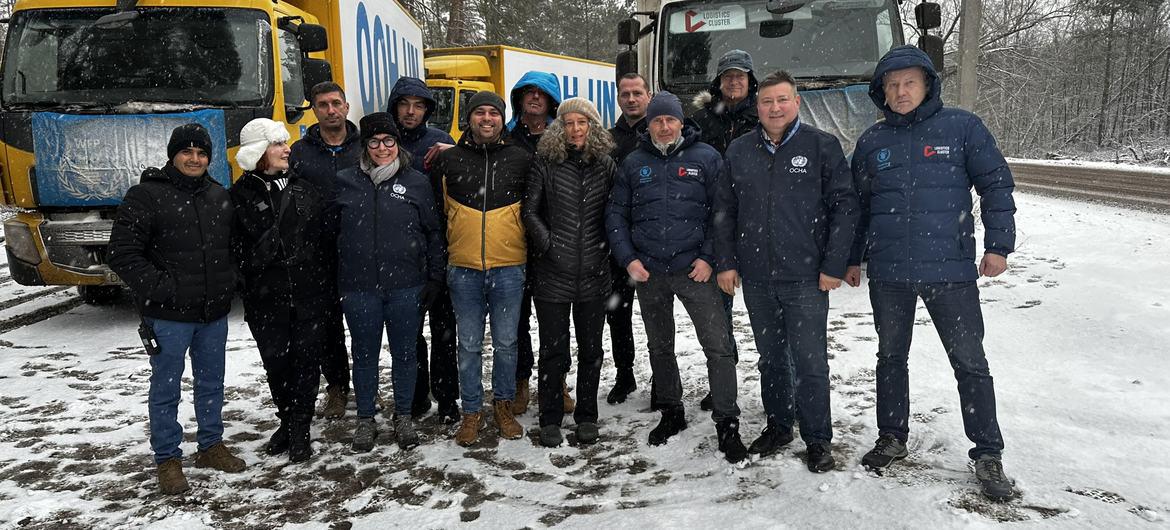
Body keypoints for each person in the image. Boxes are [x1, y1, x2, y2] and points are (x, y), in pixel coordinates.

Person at [846, 45, 1017, 501]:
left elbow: (996, 184)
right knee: (890, 358)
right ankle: (892, 436)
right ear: (881, 92)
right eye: (892, 85)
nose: (901, 92)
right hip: (889, 275)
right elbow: (858, 209)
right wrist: (849, 257)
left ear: (926, 85)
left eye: (909, 83)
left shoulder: (962, 128)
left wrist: (999, 245)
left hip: (951, 273)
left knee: (969, 362)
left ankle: (987, 451)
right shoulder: (871, 143)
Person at [717, 71, 859, 472]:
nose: (774, 108)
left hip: (806, 278)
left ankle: (817, 438)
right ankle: (779, 424)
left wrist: (833, 264)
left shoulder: (821, 146)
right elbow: (724, 212)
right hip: (758, 277)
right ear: (757, 107)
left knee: (810, 361)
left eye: (782, 100)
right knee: (771, 359)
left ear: (796, 103)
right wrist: (726, 262)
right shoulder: (740, 151)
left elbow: (844, 208)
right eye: (766, 102)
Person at [606, 92, 746, 463]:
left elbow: (723, 212)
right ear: (648, 125)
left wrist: (708, 258)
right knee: (660, 346)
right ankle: (671, 411)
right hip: (651, 272)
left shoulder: (707, 158)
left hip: (694, 271)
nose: (664, 127)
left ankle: (727, 422)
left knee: (717, 347)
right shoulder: (634, 163)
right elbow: (616, 215)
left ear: (681, 122)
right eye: (657, 121)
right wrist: (628, 259)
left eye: (670, 120)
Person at [108, 123, 245, 494]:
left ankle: (211, 446)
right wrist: (163, 288)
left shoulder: (219, 195)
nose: (195, 159)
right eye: (187, 152)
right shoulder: (147, 196)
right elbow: (122, 253)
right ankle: (167, 459)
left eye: (201, 153)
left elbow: (233, 249)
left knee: (211, 383)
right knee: (166, 389)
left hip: (212, 313)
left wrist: (230, 281)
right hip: (168, 316)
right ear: (173, 155)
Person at [332, 112, 447, 451]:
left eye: (389, 141)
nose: (382, 148)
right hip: (359, 287)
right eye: (374, 142)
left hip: (406, 285)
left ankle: (404, 416)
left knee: (405, 353)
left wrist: (435, 276)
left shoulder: (415, 182)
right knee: (364, 354)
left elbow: (434, 232)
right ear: (364, 147)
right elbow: (330, 235)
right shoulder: (345, 181)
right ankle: (365, 419)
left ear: (397, 144)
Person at [230, 118, 331, 463]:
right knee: (276, 364)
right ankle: (287, 421)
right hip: (265, 299)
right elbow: (234, 251)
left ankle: (300, 428)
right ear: (259, 152)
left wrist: (322, 282)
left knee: (306, 362)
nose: (287, 149)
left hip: (309, 295)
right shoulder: (238, 197)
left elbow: (324, 241)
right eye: (277, 144)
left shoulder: (305, 188)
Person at [434, 92, 532, 447]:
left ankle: (503, 407)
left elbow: (533, 211)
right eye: (479, 113)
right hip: (464, 269)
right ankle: (471, 412)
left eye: (494, 112)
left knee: (507, 344)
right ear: (469, 119)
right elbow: (438, 213)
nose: (486, 119)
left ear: (502, 119)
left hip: (509, 267)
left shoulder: (521, 159)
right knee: (469, 345)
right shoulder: (451, 161)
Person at [522, 97, 617, 447]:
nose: (575, 129)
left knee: (591, 350)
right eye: (568, 123)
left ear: (592, 126)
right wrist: (549, 245)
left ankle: (587, 416)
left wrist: (604, 247)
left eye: (582, 122)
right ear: (558, 128)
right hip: (552, 274)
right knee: (553, 351)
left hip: (594, 273)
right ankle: (549, 417)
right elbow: (529, 211)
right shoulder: (545, 162)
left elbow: (614, 212)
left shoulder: (605, 164)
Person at [388, 76, 461, 423]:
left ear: (428, 110)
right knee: (409, 332)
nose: (411, 111)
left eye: (418, 105)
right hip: (401, 251)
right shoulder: (383, 142)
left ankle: (447, 399)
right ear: (395, 106)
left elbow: (463, 179)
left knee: (445, 330)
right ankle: (416, 397)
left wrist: (455, 153)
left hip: (439, 245)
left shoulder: (440, 141)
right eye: (405, 104)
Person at [692, 49, 761, 411]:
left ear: (751, 81)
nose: (734, 82)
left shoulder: (765, 114)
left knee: (767, 311)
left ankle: (778, 384)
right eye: (728, 76)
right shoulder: (701, 119)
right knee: (718, 313)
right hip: (715, 224)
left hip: (757, 224)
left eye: (741, 76)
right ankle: (723, 378)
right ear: (718, 82)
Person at [289, 81, 362, 420]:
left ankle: (367, 384)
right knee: (327, 325)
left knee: (365, 321)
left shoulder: (365, 147)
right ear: (314, 110)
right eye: (323, 105)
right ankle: (336, 387)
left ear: (346, 107)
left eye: (336, 103)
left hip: (360, 248)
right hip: (315, 253)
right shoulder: (301, 152)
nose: (331, 110)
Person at [504, 70, 573, 416]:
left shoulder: (564, 139)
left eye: (541, 94)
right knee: (517, 319)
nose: (534, 98)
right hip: (514, 240)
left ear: (550, 101)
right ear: (519, 98)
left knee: (555, 319)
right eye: (528, 92)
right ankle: (520, 382)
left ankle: (557, 381)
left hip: (554, 240)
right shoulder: (506, 136)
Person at [605, 73, 651, 405]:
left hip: (654, 239)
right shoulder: (607, 139)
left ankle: (664, 376)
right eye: (625, 94)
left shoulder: (662, 130)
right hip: (617, 243)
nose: (631, 99)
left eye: (637, 93)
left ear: (648, 95)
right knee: (618, 314)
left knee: (657, 315)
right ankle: (625, 374)